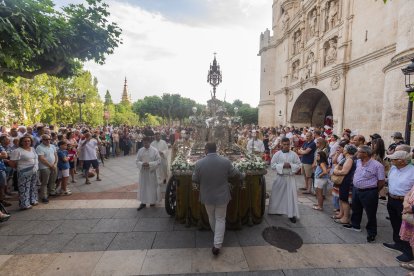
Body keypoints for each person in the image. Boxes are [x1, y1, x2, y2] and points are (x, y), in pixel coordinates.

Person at [192, 142, 242, 255]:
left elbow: (194, 178)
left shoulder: (199, 163)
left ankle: (217, 240)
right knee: (220, 218)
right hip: (222, 195)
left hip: (207, 195)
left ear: (206, 150)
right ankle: (217, 242)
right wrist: (243, 175)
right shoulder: (225, 161)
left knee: (212, 217)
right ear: (216, 149)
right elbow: (235, 173)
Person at [344, 145, 385, 243]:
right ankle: (355, 225)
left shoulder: (377, 165)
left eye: (359, 152)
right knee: (356, 208)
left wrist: (374, 190)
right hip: (356, 189)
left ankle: (371, 233)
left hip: (369, 191)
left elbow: (381, 182)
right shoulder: (358, 162)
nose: (356, 154)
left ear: (366, 154)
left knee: (370, 213)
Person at [382, 151, 414, 263]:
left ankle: (408, 252)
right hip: (391, 199)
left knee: (406, 227)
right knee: (395, 223)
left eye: (394, 159)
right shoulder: (394, 168)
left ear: (402, 161)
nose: (391, 161)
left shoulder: (412, 171)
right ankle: (398, 243)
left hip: (404, 203)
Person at [268, 137, 302, 223]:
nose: (286, 146)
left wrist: (291, 165)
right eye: (284, 144)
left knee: (290, 196)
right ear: (281, 144)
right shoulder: (277, 154)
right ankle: (276, 210)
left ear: (290, 144)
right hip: (280, 177)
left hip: (290, 178)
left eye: (288, 144)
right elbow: (272, 165)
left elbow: (299, 164)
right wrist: (282, 165)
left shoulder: (294, 154)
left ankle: (291, 214)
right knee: (277, 194)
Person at [9, 135, 39, 210]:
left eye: (28, 141)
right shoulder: (17, 151)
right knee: (24, 188)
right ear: (21, 142)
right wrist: (19, 168)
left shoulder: (32, 149)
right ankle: (24, 204)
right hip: (24, 172)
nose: (27, 142)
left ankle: (33, 200)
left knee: (33, 186)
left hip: (34, 170)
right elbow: (11, 162)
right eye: (25, 141)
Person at [332, 144, 357, 224]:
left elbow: (344, 171)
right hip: (343, 181)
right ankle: (341, 214)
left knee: (344, 200)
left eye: (345, 148)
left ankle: (345, 218)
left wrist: (336, 171)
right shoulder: (346, 158)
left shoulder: (349, 159)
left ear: (348, 151)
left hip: (346, 181)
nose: (343, 149)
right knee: (341, 198)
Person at [136, 136, 161, 211]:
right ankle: (143, 202)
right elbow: (137, 160)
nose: (145, 144)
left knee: (151, 187)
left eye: (146, 143)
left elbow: (158, 161)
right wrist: (142, 164)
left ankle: (152, 201)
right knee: (143, 187)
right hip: (143, 172)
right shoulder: (140, 150)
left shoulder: (154, 150)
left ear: (149, 142)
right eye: (144, 143)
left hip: (151, 172)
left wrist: (150, 164)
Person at [36, 134, 57, 203]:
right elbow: (41, 159)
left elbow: (56, 156)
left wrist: (55, 164)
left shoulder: (52, 146)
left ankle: (52, 192)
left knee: (53, 180)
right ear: (42, 140)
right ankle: (44, 196)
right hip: (44, 167)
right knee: (45, 182)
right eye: (45, 139)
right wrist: (51, 166)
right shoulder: (39, 147)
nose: (48, 140)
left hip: (54, 166)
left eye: (49, 139)